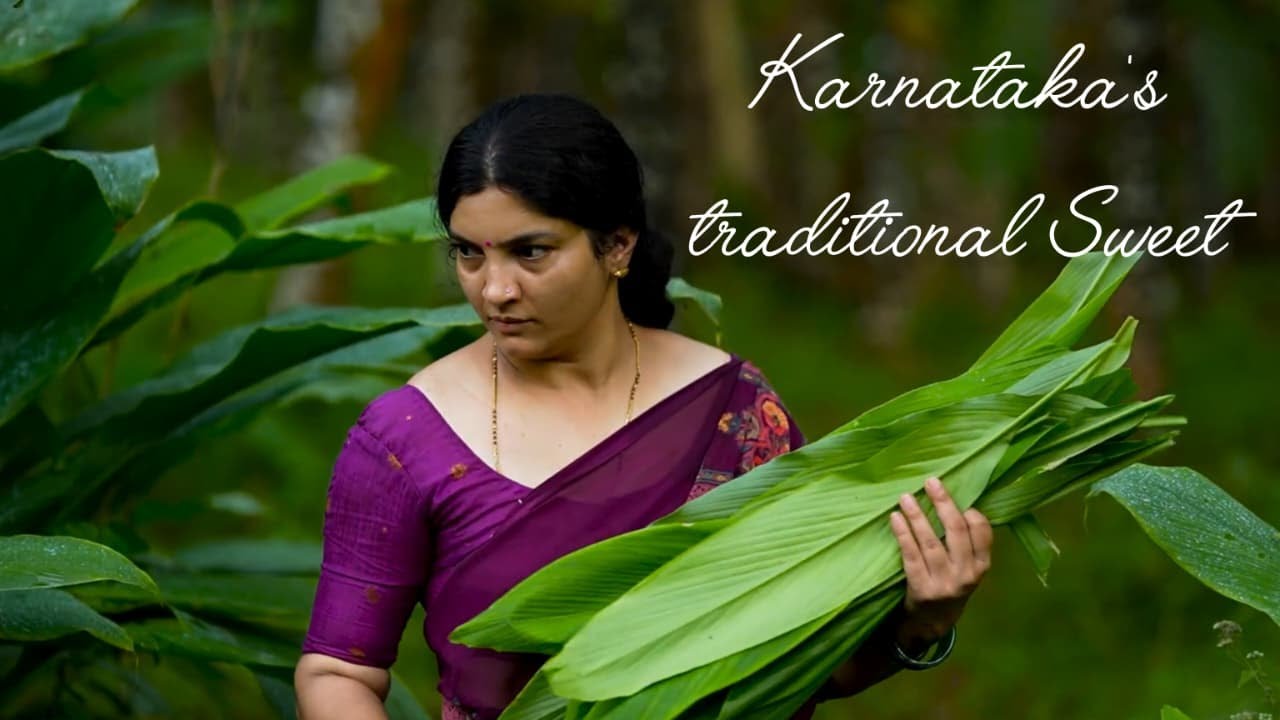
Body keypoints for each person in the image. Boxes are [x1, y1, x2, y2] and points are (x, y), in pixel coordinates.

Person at [294, 93, 993, 720]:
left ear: (617, 245)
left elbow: (796, 670)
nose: (493, 290)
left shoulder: (733, 413)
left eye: (529, 252)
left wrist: (918, 624)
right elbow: (338, 672)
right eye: (468, 255)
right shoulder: (406, 438)